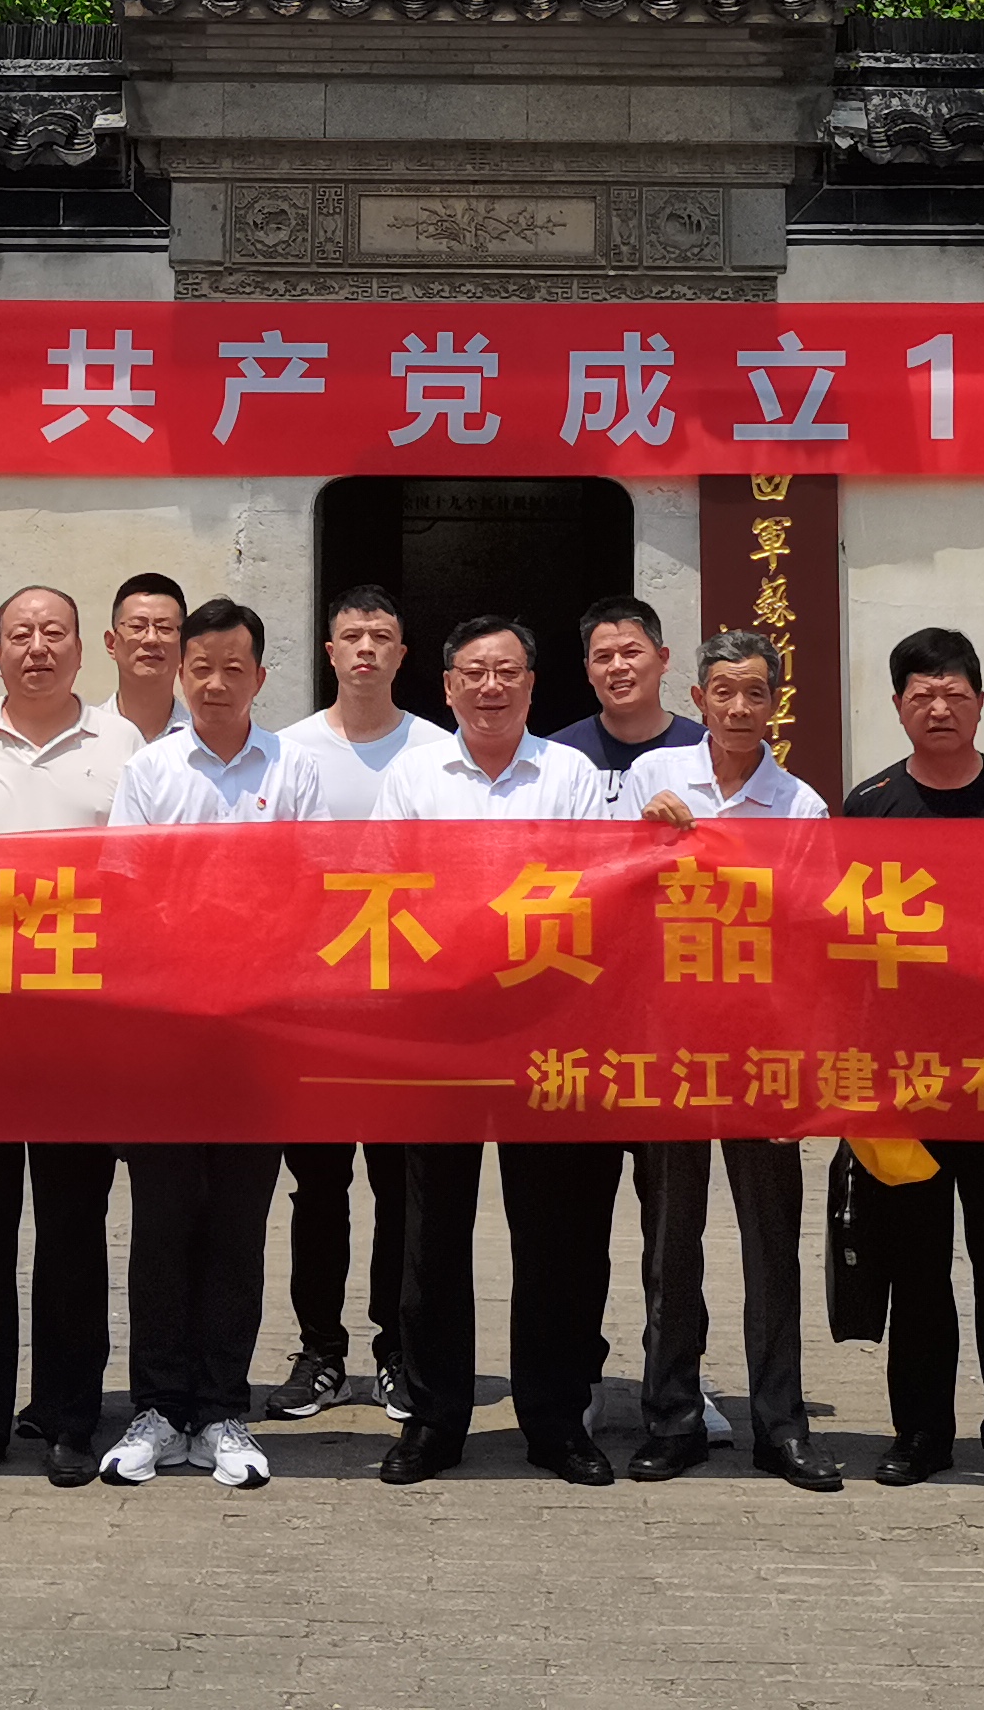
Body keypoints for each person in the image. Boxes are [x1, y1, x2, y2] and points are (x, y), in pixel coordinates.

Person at [282, 611, 612, 1484]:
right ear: (448, 687)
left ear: (532, 685)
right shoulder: (417, 775)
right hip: (440, 1038)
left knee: (553, 1235)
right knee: (430, 1235)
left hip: (543, 1033)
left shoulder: (570, 776)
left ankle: (555, 1422)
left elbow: (590, 894)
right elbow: (384, 894)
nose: (490, 688)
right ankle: (433, 1419)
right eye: (474, 673)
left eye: (507, 672)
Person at [0, 584, 142, 1485]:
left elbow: (147, 879)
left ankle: (68, 1416)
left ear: (83, 650)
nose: (38, 647)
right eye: (21, 634)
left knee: (74, 1227)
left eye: (55, 633)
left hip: (81, 1026)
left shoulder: (125, 747)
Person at [837, 626, 984, 1496]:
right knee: (918, 1268)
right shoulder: (870, 805)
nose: (939, 707)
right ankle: (922, 1431)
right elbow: (843, 942)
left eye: (955, 693)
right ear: (898, 706)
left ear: (980, 702)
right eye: (922, 694)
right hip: (905, 1079)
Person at [616, 630, 840, 1489]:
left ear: (775, 703)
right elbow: (606, 890)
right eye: (724, 691)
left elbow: (815, 933)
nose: (739, 708)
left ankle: (781, 1426)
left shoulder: (800, 805)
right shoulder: (654, 778)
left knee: (770, 1244)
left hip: (765, 1043)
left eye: (755, 692)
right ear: (699, 699)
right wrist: (649, 838)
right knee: (671, 1240)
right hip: (670, 1038)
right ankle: (671, 1417)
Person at [102, 596, 288, 1490]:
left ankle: (221, 1411)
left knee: (238, 1225)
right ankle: (158, 1407)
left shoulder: (294, 768)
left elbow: (315, 890)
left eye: (233, 669)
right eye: (201, 668)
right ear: (181, 675)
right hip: (166, 1036)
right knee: (163, 1223)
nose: (216, 683)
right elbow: (122, 892)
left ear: (260, 676)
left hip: (260, 1037)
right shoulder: (149, 770)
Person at [259, 583, 449, 1426]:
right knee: (319, 1186)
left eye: (381, 635)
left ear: (403, 654)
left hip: (409, 1009)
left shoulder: (437, 750)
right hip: (314, 1008)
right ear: (329, 652)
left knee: (400, 1185)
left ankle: (397, 1350)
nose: (366, 648)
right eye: (351, 636)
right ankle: (320, 1350)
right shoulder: (286, 751)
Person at [549, 595, 704, 807]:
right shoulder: (557, 756)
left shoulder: (704, 749)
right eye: (603, 657)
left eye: (631, 653)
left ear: (663, 659)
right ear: (588, 671)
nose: (617, 666)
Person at [104, 571, 191, 742]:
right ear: (111, 643)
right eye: (137, 626)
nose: (151, 639)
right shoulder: (82, 742)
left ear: (184, 645)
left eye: (165, 628)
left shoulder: (201, 743)